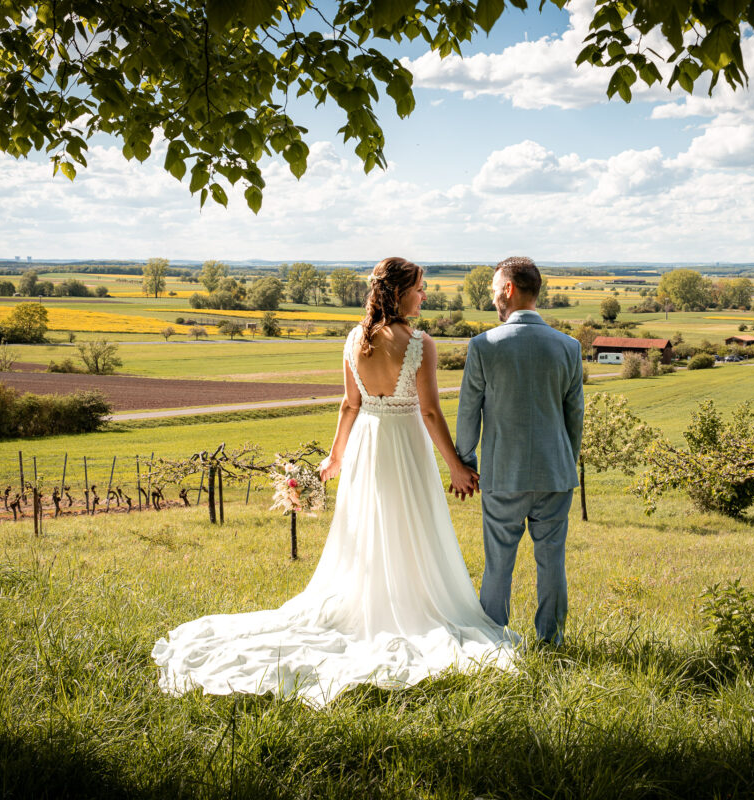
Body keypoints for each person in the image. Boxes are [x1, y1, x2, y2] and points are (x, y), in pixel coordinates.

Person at [153, 257, 516, 706]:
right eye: (421, 287)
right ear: (400, 292)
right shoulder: (420, 343)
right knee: (411, 528)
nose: (425, 295)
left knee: (367, 529)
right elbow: (428, 412)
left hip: (367, 445)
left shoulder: (353, 339)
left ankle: (379, 600)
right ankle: (408, 606)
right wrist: (456, 467)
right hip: (404, 444)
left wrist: (334, 459)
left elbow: (349, 405)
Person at [455, 257, 584, 646]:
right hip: (555, 474)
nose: (493, 296)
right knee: (552, 563)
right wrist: (565, 461)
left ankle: (493, 640)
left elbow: (467, 412)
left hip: (502, 474)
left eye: (495, 289)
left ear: (509, 290)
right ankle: (552, 639)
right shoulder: (570, 347)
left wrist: (466, 459)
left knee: (498, 563)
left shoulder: (483, 346)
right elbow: (574, 416)